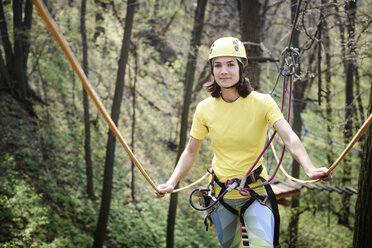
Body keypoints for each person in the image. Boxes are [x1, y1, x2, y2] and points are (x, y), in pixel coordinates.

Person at [155, 37, 332, 248]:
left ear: (241, 68)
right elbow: (191, 152)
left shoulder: (263, 102)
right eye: (218, 65)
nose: (224, 71)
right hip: (221, 194)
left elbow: (289, 137)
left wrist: (310, 169)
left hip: (255, 192)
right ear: (212, 70)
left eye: (230, 64)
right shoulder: (205, 108)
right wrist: (171, 183)